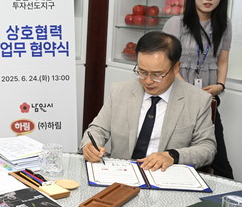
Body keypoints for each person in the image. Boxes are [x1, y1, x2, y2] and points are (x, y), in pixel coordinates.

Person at [82, 31, 216, 171]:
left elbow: (207, 148)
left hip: (165, 175)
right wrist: (89, 146)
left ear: (176, 67)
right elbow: (98, 129)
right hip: (122, 173)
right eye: (142, 72)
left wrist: (173, 156)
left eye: (157, 75)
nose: (148, 81)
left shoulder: (198, 100)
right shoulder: (120, 91)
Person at [162, 0, 233, 178]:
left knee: (218, 158)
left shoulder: (224, 25)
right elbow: (168, 62)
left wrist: (220, 85)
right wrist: (188, 91)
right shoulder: (176, 23)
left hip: (207, 99)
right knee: (176, 152)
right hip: (177, 95)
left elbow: (223, 59)